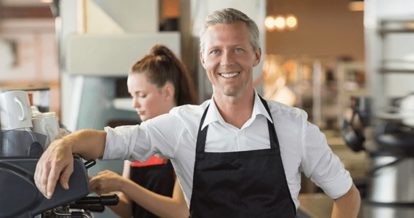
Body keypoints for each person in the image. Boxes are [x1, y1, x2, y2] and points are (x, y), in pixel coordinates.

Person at [35, 8, 361, 218]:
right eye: (216, 51)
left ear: (256, 55)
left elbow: (346, 195)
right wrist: (65, 144)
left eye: (238, 50)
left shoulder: (294, 126)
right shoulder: (183, 126)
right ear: (204, 59)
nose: (227, 61)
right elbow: (111, 142)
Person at [89, 44, 196, 218]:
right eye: (132, 95)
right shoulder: (137, 143)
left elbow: (180, 211)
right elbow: (129, 210)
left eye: (142, 95)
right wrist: (98, 186)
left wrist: (123, 184)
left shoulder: (187, 138)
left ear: (167, 92)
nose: (134, 104)